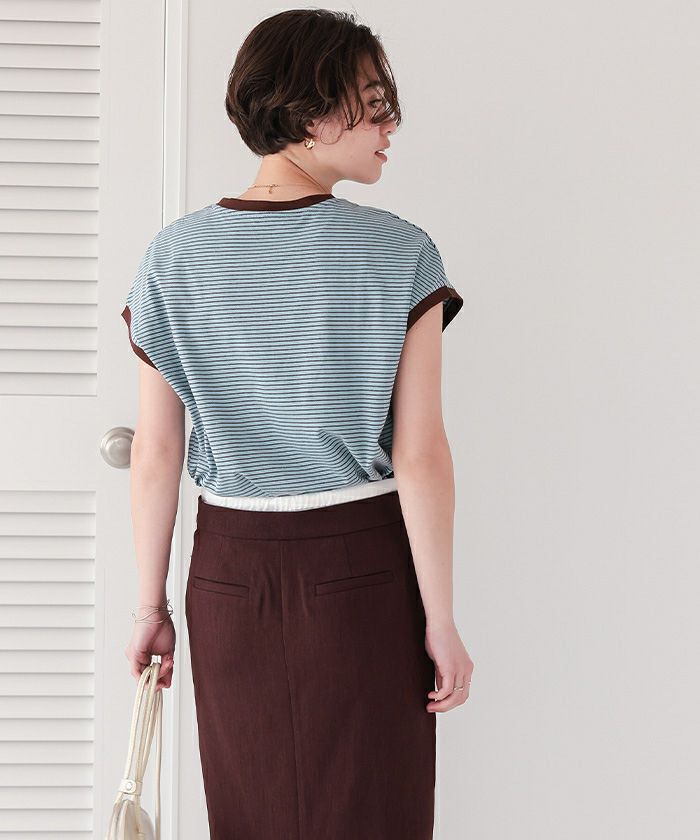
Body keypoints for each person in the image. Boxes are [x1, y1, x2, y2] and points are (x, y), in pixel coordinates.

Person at [121, 8, 474, 839]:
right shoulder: (401, 253)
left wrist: (149, 606)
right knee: (375, 813)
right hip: (362, 569)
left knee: (253, 811)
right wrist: (441, 618)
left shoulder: (173, 255)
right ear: (311, 113)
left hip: (227, 574)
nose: (391, 126)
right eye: (374, 104)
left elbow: (158, 452)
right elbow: (419, 454)